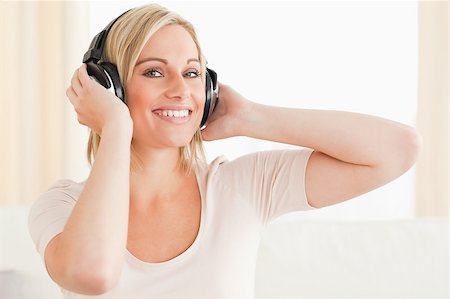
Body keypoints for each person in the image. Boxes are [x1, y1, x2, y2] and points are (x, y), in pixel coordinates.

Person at [28, 3, 421, 298]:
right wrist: (115, 126)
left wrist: (250, 117)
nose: (181, 89)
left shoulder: (240, 186)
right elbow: (92, 274)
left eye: (192, 72)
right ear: (108, 86)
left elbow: (398, 149)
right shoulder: (60, 206)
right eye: (153, 71)